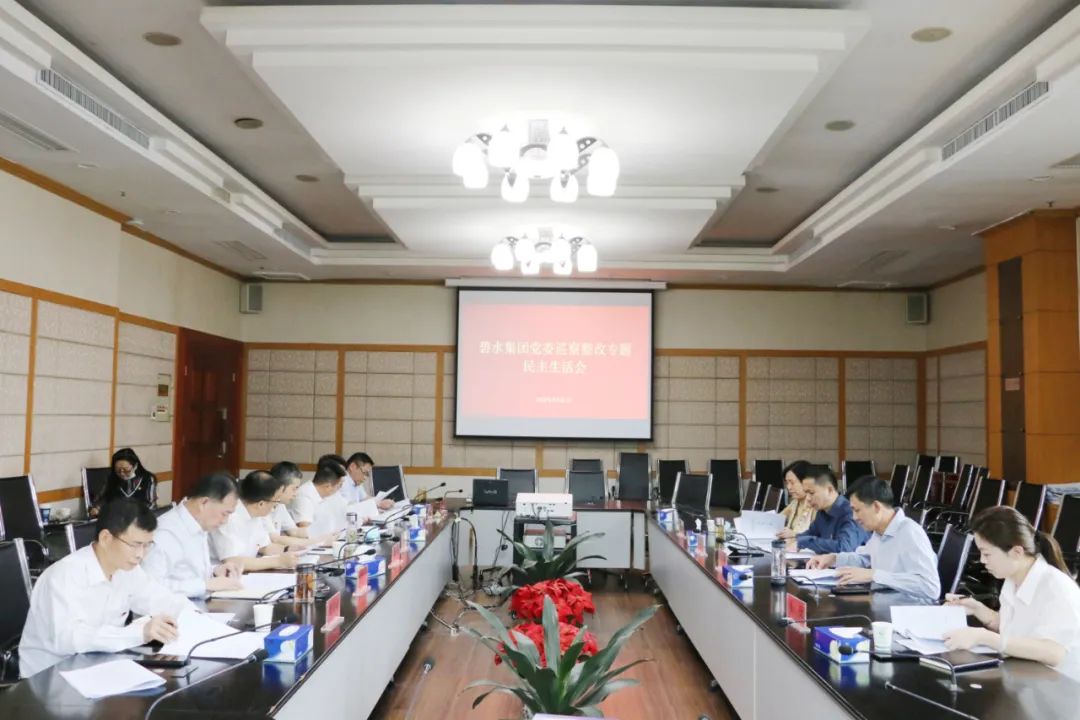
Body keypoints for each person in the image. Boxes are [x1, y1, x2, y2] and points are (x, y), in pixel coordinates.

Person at [19, 499, 193, 677]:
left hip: (100, 666)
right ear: (105, 538)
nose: (141, 554)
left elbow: (159, 598)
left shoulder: (127, 569)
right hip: (50, 676)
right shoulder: (63, 575)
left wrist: (195, 617)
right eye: (135, 545)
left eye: (147, 545)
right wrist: (139, 632)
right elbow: (70, 639)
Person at [943, 506, 1080, 681]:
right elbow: (1014, 627)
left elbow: (1053, 652)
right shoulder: (1013, 577)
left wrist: (984, 637)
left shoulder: (1056, 588)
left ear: (1017, 552)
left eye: (987, 554)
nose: (982, 561)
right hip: (1025, 675)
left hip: (1059, 685)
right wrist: (978, 609)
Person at [807, 475, 940, 601]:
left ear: (876, 506)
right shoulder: (879, 531)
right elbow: (865, 558)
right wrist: (833, 558)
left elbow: (930, 587)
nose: (854, 517)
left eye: (857, 510)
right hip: (884, 602)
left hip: (908, 610)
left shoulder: (910, 532)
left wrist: (874, 575)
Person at [142, 472, 244, 597]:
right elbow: (149, 587)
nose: (225, 521)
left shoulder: (198, 524)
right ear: (204, 503)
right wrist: (205, 585)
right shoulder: (166, 533)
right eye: (224, 514)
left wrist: (215, 571)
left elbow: (187, 572)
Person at [210, 471, 297, 572]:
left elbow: (264, 547)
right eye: (276, 500)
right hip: (223, 575)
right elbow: (232, 561)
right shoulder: (228, 516)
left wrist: (287, 550)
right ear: (261, 504)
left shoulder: (256, 514)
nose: (276, 505)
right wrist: (278, 561)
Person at [777, 468, 867, 553]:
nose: (808, 498)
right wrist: (795, 538)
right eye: (806, 493)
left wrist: (804, 542)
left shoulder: (850, 512)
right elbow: (811, 534)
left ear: (829, 490)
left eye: (811, 493)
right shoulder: (822, 511)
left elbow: (845, 547)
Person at [264, 461, 334, 549]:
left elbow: (294, 531)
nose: (296, 493)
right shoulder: (263, 506)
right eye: (294, 489)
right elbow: (275, 539)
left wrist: (324, 533)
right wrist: (318, 542)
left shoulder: (280, 506)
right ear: (281, 487)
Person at [93, 448, 157, 514]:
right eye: (118, 470)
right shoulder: (111, 478)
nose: (122, 473)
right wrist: (97, 508)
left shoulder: (148, 478)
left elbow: (151, 504)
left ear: (135, 466)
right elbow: (102, 498)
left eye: (126, 470)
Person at [289, 463, 347, 533]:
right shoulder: (304, 495)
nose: (339, 489)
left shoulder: (325, 494)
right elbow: (305, 527)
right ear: (328, 486)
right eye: (339, 486)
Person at [778, 460, 816, 535]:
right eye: (787, 483)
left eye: (792, 483)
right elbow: (778, 518)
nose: (789, 487)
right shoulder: (795, 502)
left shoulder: (817, 505)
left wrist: (794, 535)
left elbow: (819, 537)